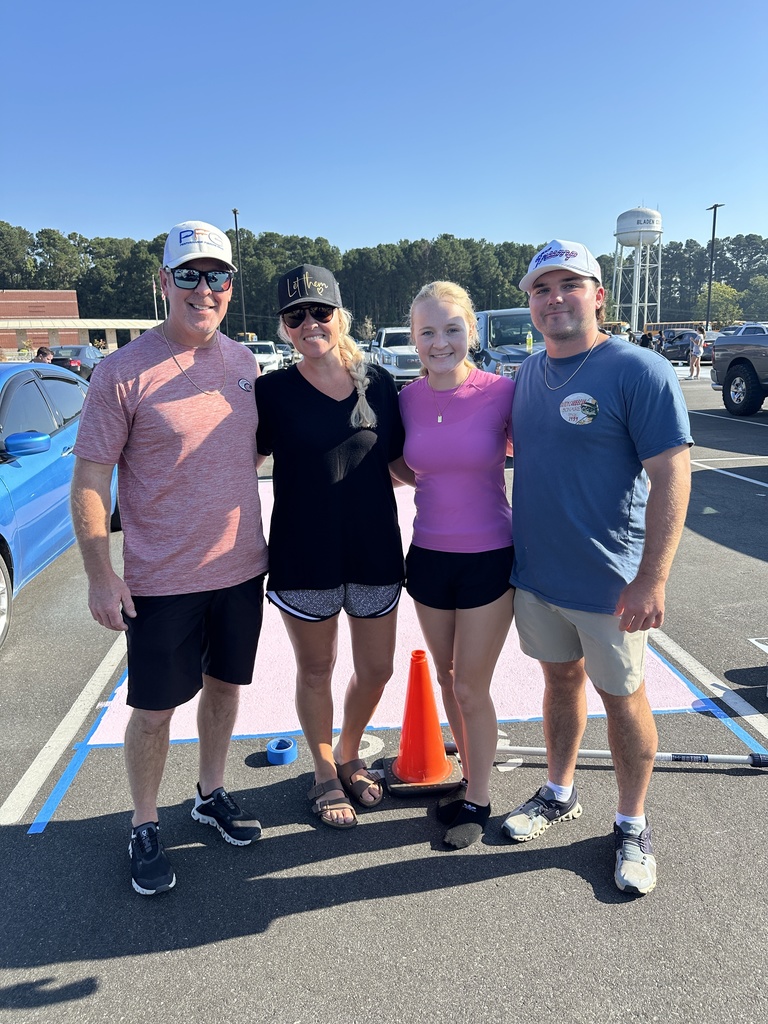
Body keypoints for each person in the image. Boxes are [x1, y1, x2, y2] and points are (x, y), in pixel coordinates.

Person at [71, 220, 269, 896]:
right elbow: (91, 481)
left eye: (216, 276)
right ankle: (146, 821)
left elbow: (254, 453)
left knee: (224, 691)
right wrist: (101, 571)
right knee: (154, 712)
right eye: (188, 275)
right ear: (164, 283)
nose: (203, 289)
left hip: (241, 569)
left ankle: (210, 794)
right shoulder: (121, 372)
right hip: (160, 582)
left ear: (230, 287)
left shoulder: (245, 364)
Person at [502, 239, 692, 896]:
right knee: (559, 686)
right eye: (542, 289)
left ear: (599, 294)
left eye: (569, 285)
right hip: (537, 579)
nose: (555, 299)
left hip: (610, 585)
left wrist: (652, 578)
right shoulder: (528, 374)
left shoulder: (637, 370)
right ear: (530, 302)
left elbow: (672, 475)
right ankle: (558, 793)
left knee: (623, 698)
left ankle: (633, 823)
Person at [254, 265, 405, 830]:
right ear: (285, 328)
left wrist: (474, 468)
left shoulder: (381, 384)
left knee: (377, 669)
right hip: (303, 556)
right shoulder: (270, 392)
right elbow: (242, 463)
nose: (310, 323)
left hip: (374, 551)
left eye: (320, 311)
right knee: (315, 669)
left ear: (340, 316)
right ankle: (323, 773)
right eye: (296, 316)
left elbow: (402, 462)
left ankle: (349, 751)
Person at [394, 282, 515, 849]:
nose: (439, 342)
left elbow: (547, 459)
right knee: (444, 677)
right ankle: (468, 776)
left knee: (470, 685)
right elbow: (402, 464)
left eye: (451, 329)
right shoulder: (406, 399)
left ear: (471, 330)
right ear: (414, 338)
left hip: (489, 556)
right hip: (427, 557)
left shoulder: (502, 393)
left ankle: (480, 797)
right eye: (427, 332)